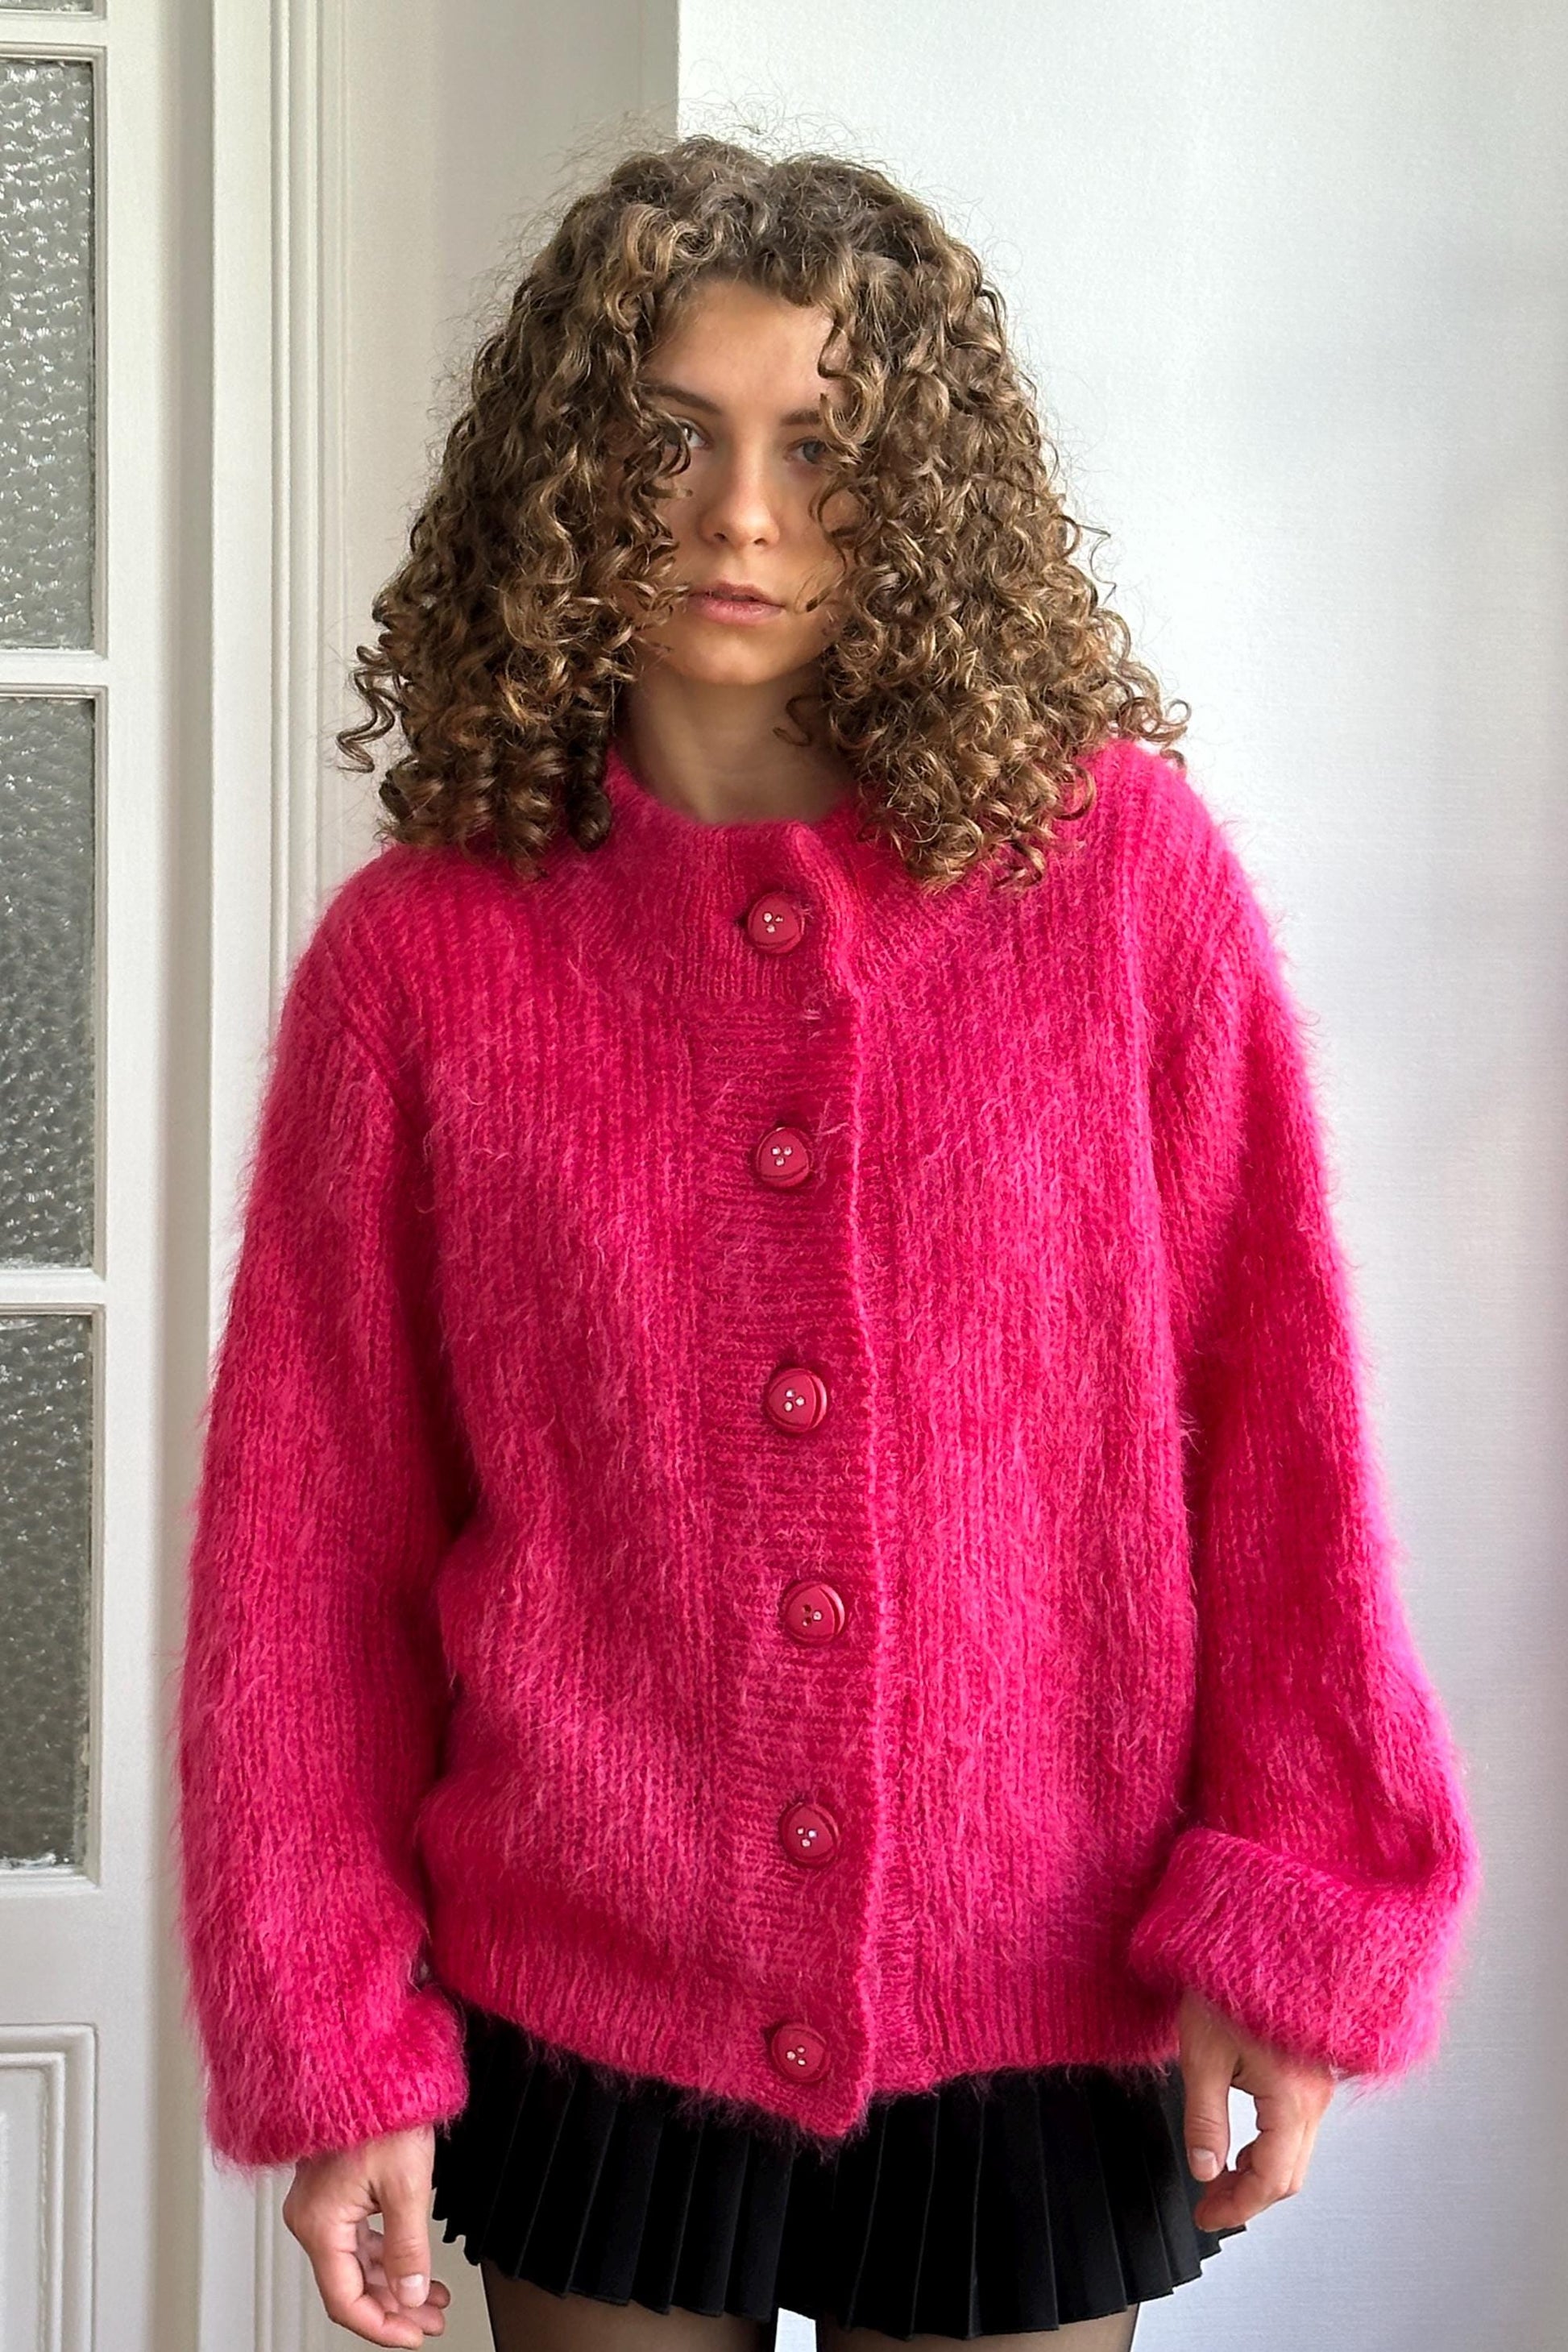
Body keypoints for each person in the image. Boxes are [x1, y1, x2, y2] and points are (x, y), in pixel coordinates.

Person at [171, 135, 1482, 2352]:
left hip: (1044, 1985)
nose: (741, 519)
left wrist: (1296, 1914)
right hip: (585, 1991)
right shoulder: (425, 962)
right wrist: (337, 2036)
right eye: (668, 441)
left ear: (926, 496)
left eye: (817, 448)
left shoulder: (1122, 892)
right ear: (564, 475)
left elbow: (1276, 1436)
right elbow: (311, 1547)